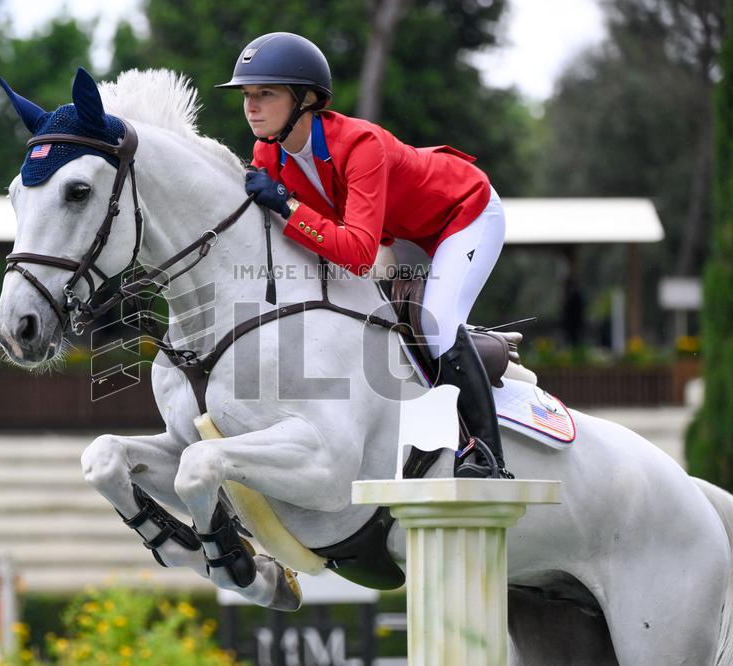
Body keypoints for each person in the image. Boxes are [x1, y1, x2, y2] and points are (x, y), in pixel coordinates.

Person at [216, 32, 512, 479]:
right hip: (403, 229)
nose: (250, 106)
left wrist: (289, 205)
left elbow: (356, 253)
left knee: (434, 322)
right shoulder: (267, 153)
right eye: (247, 95)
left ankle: (485, 454)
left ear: (308, 99)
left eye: (265, 93)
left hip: (465, 210)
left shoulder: (360, 145)